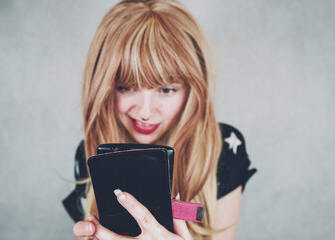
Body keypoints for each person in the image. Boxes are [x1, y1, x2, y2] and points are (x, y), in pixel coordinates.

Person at [63, 0, 257, 239]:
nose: (145, 112)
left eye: (166, 90)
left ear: (192, 89)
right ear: (103, 86)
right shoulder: (89, 155)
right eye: (126, 87)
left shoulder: (222, 148)